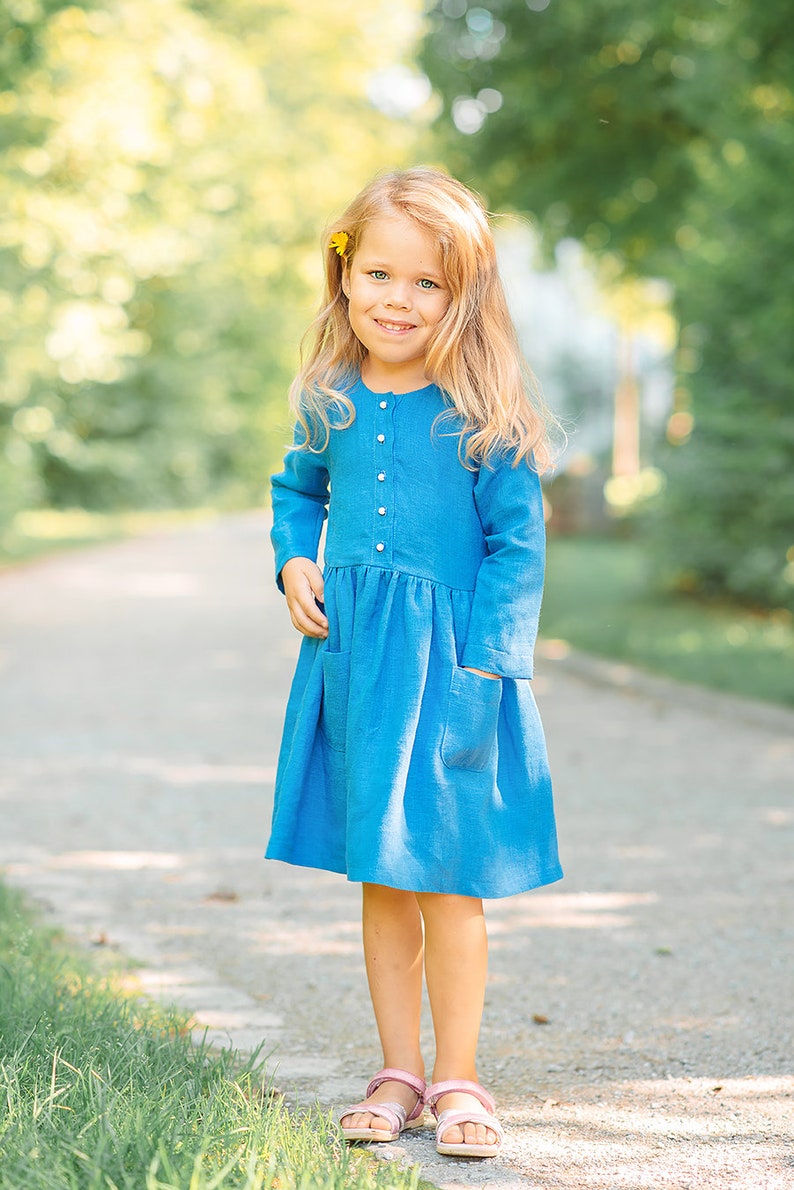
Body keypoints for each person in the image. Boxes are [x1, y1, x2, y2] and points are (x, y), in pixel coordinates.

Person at [266, 167, 562, 1159]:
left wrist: (492, 665)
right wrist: (292, 557)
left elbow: (518, 545)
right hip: (358, 660)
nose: (397, 299)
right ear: (343, 273)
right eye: (379, 274)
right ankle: (396, 1069)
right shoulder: (328, 394)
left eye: (425, 282)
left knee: (449, 878)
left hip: (459, 668)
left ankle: (459, 1075)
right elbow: (294, 490)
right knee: (382, 877)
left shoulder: (481, 402)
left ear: (462, 292)